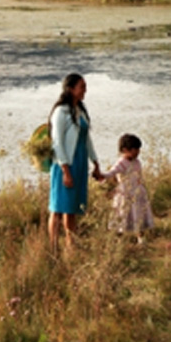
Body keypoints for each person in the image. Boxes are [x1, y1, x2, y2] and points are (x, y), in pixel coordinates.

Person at [49, 73, 102, 251]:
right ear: (71, 89)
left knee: (71, 208)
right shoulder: (60, 112)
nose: (85, 90)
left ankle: (71, 247)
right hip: (64, 164)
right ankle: (54, 247)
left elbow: (86, 139)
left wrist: (95, 162)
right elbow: (57, 143)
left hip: (79, 163)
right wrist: (65, 170)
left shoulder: (80, 111)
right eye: (82, 87)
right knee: (58, 207)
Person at [100, 133, 155, 244]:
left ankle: (141, 238)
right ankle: (118, 239)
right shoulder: (121, 163)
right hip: (125, 195)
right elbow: (112, 172)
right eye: (135, 149)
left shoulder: (137, 162)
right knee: (122, 216)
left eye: (139, 149)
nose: (138, 152)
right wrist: (101, 176)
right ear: (125, 150)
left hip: (138, 194)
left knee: (138, 215)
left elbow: (139, 176)